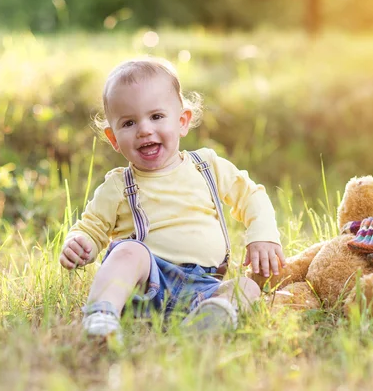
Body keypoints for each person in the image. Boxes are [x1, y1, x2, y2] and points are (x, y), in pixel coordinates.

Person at [59, 58, 285, 339]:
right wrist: (81, 244)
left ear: (182, 121)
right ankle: (102, 313)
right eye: (129, 123)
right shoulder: (119, 185)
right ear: (114, 138)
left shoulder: (207, 166)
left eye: (156, 117)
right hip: (146, 285)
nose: (143, 129)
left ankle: (204, 321)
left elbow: (252, 195)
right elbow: (91, 228)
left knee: (247, 288)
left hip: (204, 285)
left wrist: (262, 235)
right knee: (129, 252)